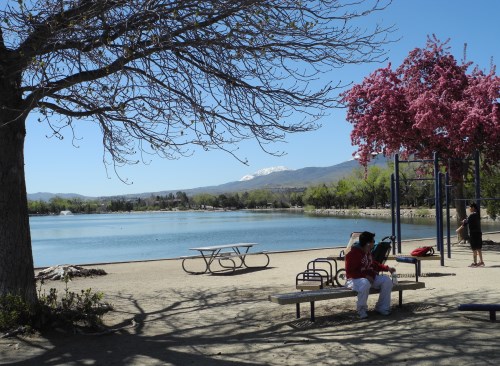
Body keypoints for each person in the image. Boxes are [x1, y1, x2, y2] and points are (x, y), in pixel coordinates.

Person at [345, 231, 396, 319]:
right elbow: (350, 272)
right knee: (365, 283)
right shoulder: (352, 254)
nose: (374, 243)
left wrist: (387, 268)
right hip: (353, 280)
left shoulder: (367, 252)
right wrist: (365, 276)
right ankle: (361, 310)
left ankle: (382, 307)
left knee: (386, 280)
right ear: (368, 243)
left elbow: (374, 264)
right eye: (373, 241)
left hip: (369, 278)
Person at [457, 203, 484, 267]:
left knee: (474, 249)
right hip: (478, 233)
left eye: (470, 207)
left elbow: (466, 223)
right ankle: (481, 262)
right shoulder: (477, 214)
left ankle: (475, 263)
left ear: (473, 208)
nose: (469, 209)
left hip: (473, 234)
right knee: (479, 248)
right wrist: (465, 220)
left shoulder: (472, 215)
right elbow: (468, 221)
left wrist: (458, 229)